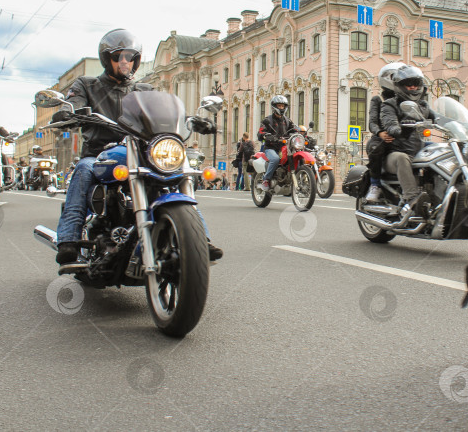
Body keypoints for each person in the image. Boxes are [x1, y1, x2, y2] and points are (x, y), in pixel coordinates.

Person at [54, 28, 223, 270]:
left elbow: (161, 113)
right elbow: (74, 103)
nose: (125, 62)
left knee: (175, 176)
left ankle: (198, 241)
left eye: (130, 57)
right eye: (119, 57)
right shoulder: (87, 85)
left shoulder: (144, 90)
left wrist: (190, 119)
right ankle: (68, 239)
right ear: (106, 59)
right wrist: (69, 111)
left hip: (141, 153)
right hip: (100, 154)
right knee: (83, 170)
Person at [380, 65, 434, 213]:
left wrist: (456, 124)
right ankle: (412, 198)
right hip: (393, 153)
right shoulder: (389, 105)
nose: (412, 87)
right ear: (399, 86)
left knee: (440, 151)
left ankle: (435, 195)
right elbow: (389, 123)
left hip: (416, 150)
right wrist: (398, 129)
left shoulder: (422, 106)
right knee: (402, 158)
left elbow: (440, 119)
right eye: (408, 84)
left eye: (415, 84)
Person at [365, 63, 403, 202]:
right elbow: (372, 122)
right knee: (376, 148)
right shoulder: (378, 99)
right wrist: (380, 132)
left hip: (401, 136)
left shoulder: (406, 98)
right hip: (383, 137)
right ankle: (375, 185)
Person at [257, 95, 298, 191]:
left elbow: (295, 130)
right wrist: (267, 136)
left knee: (295, 157)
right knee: (275, 159)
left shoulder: (287, 121)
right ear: (274, 106)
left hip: (285, 147)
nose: (281, 108)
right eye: (279, 106)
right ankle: (266, 180)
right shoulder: (268, 120)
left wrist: (300, 135)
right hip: (271, 148)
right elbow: (261, 132)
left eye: (282, 106)